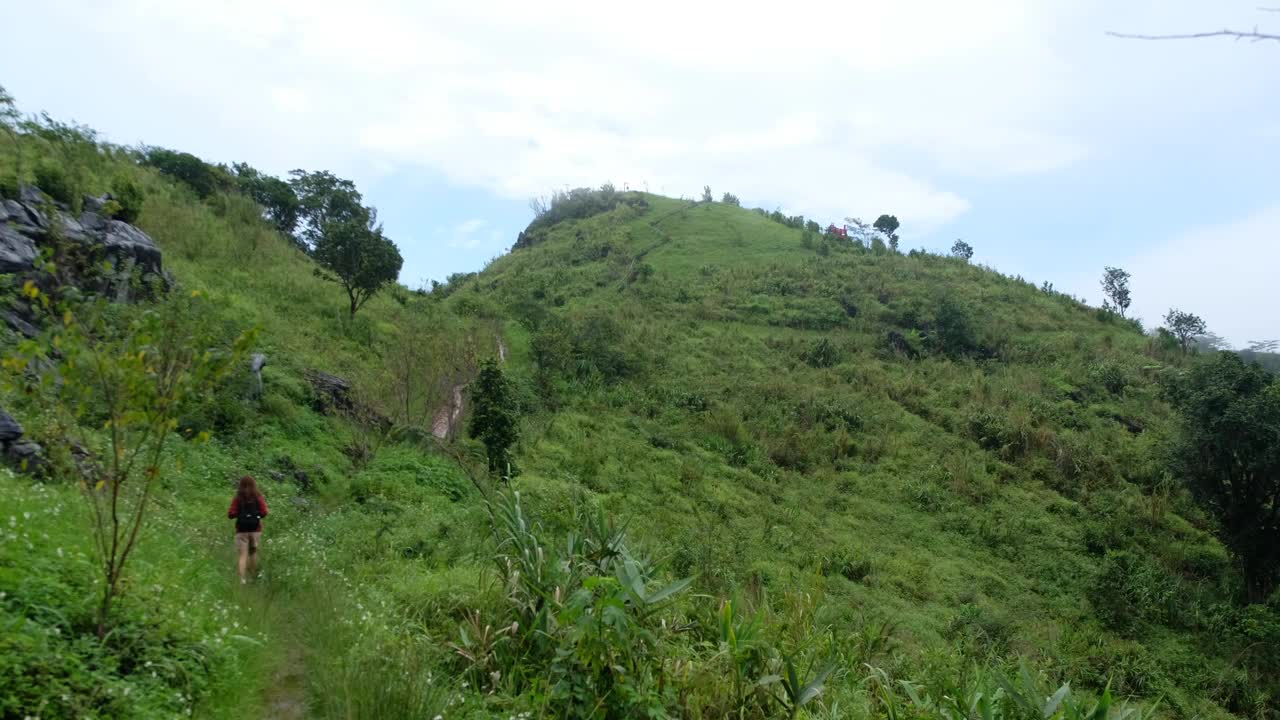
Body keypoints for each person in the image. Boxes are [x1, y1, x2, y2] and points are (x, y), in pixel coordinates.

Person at [228, 475, 269, 583]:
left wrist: (239, 514)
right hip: (255, 530)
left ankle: (242, 579)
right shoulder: (258, 497)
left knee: (243, 555)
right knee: (253, 553)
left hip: (241, 530)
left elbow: (231, 513)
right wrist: (257, 515)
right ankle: (253, 576)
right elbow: (265, 512)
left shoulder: (238, 497)